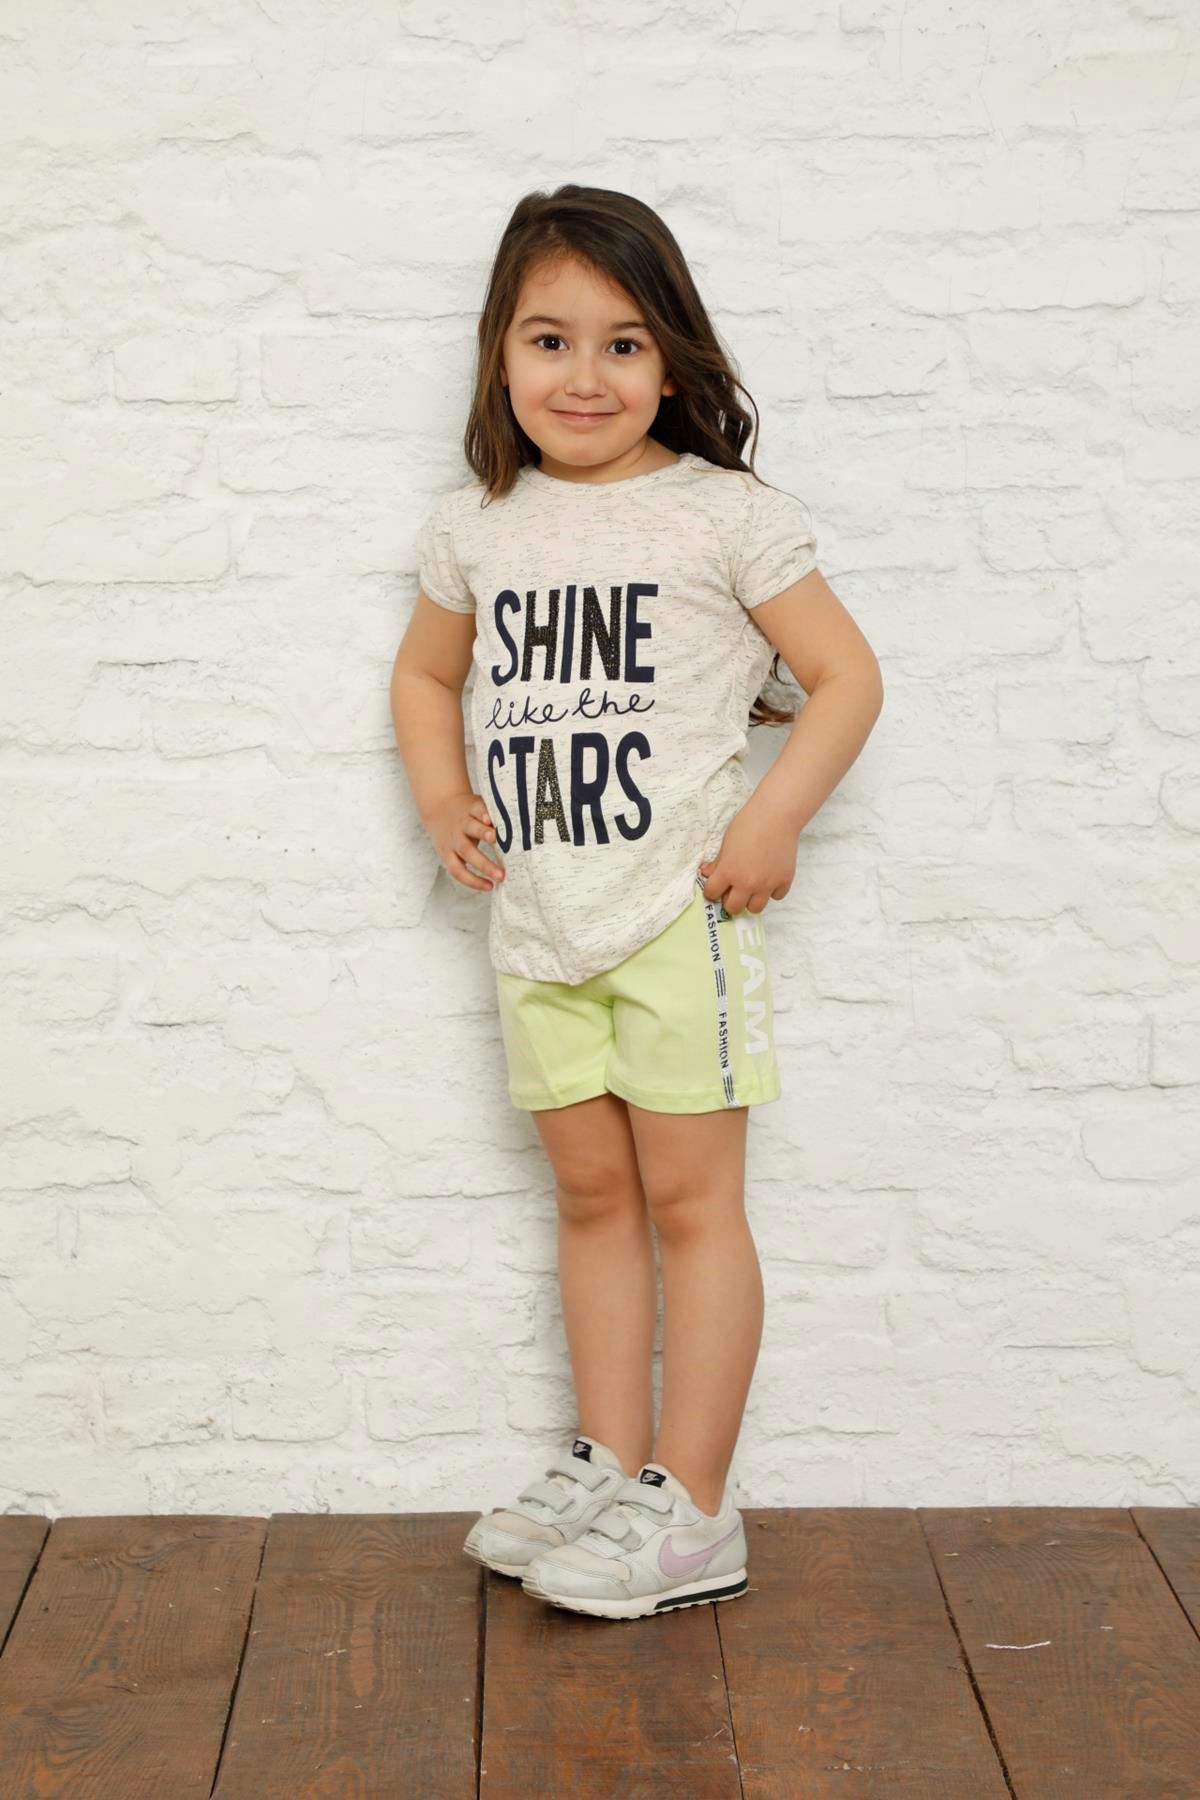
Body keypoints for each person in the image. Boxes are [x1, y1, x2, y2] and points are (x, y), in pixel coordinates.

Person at [390, 184, 883, 1622]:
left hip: (678, 915)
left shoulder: (727, 518)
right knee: (592, 1197)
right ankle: (609, 1466)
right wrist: (440, 795)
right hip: (538, 919)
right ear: (500, 353)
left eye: (623, 343)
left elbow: (846, 678)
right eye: (549, 340)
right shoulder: (477, 525)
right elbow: (425, 674)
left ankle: (695, 1509)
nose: (585, 376)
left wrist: (773, 819)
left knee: (689, 1203)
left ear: (672, 362)